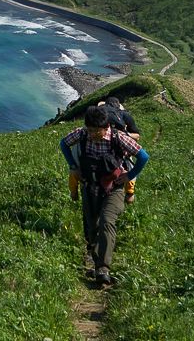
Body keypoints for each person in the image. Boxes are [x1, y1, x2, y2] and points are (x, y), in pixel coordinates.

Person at [60, 105, 149, 286]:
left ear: (106, 126)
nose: (92, 134)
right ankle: (94, 254)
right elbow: (64, 144)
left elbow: (143, 157)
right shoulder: (82, 134)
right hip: (89, 185)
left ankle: (103, 268)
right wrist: (73, 166)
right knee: (92, 226)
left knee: (107, 220)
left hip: (113, 188)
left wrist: (129, 176)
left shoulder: (119, 138)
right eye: (90, 129)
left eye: (96, 131)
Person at [104, 96, 140, 204]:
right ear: (118, 105)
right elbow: (137, 136)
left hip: (102, 144)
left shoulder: (102, 113)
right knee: (130, 165)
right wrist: (125, 135)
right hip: (121, 146)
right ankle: (130, 193)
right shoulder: (125, 115)